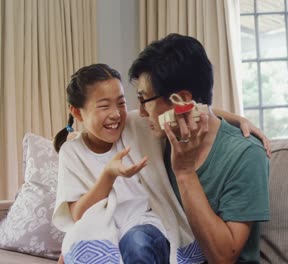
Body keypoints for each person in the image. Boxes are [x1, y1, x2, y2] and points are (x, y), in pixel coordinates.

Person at [52, 63, 269, 264]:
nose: (116, 114)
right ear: (77, 112)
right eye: (104, 106)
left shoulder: (137, 125)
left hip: (147, 227)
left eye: (121, 102)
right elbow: (77, 214)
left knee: (137, 242)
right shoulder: (71, 152)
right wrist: (109, 175)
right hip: (104, 231)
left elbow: (187, 108)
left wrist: (237, 119)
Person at [129, 33, 270, 263]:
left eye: (145, 100)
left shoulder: (246, 155)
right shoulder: (157, 133)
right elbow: (94, 128)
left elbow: (223, 257)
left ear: (182, 100)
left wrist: (185, 173)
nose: (141, 112)